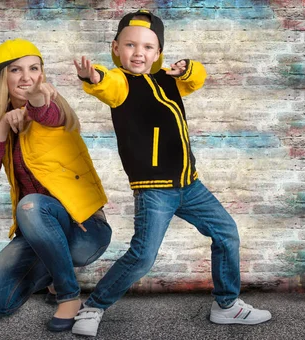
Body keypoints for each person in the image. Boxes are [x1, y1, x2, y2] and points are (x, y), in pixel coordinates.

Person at [72, 9, 272, 337]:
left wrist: (187, 67)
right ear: (116, 48)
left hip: (189, 185)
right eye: (131, 45)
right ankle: (93, 306)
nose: (139, 53)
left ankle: (227, 305)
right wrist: (92, 77)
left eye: (148, 47)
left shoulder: (167, 79)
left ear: (159, 52)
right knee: (142, 257)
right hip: (155, 189)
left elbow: (196, 79)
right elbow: (105, 85)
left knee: (227, 233)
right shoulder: (121, 83)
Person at [0, 38, 113, 332]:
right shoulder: (8, 124)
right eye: (16, 70)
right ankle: (50, 272)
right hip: (36, 234)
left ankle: (68, 296)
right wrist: (1, 126)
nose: (27, 77)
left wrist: (35, 99)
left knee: (31, 203)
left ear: (42, 74)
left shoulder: (53, 110)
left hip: (85, 231)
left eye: (34, 68)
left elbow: (43, 111)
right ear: (3, 79)